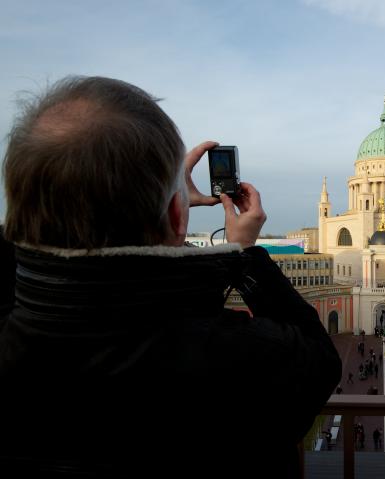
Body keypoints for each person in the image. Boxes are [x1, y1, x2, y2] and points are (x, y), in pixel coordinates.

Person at [0, 76, 342, 478]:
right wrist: (246, 253)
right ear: (179, 217)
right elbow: (319, 357)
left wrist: (166, 195)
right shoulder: (241, 358)